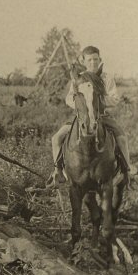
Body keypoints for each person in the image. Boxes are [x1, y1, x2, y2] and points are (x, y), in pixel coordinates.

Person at [47, 46, 130, 187]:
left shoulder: (107, 78)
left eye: (95, 59)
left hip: (102, 116)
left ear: (100, 60)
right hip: (82, 116)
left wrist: (98, 101)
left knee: (122, 138)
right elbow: (68, 98)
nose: (93, 62)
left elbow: (115, 98)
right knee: (57, 138)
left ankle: (126, 172)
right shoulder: (79, 78)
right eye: (89, 60)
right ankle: (58, 172)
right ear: (83, 61)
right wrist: (81, 104)